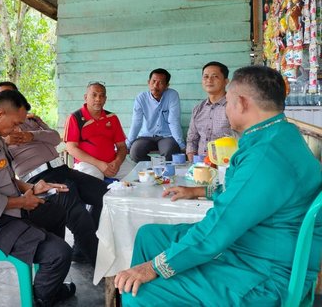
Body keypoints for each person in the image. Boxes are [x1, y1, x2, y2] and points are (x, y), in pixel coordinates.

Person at [115, 66, 322, 306]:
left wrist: (154, 267)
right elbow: (246, 194)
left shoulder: (266, 154)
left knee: (137, 292)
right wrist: (200, 191)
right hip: (253, 243)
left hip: (262, 274)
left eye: (228, 102)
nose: (225, 108)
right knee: (149, 236)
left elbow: (218, 230)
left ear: (242, 103)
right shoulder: (280, 133)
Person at [0, 90, 76, 307]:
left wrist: (33, 187)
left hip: (8, 210)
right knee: (60, 254)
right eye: (15, 123)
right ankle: (42, 298)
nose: (17, 129)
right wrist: (22, 202)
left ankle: (48, 282)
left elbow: (7, 178)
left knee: (56, 211)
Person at [0, 81, 108, 266]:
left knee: (106, 195)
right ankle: (104, 269)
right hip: (38, 178)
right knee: (78, 213)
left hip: (63, 169)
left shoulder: (32, 120)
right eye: (1, 98)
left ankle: (81, 248)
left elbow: (55, 137)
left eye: (11, 97)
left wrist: (32, 135)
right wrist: (4, 141)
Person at [64, 81, 130, 180]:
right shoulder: (75, 117)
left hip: (112, 164)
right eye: (94, 95)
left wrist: (117, 162)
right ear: (86, 97)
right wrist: (99, 164)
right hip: (88, 164)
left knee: (136, 175)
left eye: (101, 96)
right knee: (94, 183)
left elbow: (122, 146)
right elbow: (71, 148)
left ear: (105, 99)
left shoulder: (112, 117)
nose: (98, 99)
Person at [126, 68, 185, 162]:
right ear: (148, 82)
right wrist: (128, 145)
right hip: (146, 136)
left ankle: (163, 173)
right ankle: (152, 170)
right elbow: (136, 122)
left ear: (166, 86)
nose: (155, 85)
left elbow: (174, 121)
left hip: (166, 136)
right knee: (135, 152)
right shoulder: (141, 98)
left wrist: (181, 145)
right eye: (153, 81)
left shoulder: (172, 95)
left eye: (160, 82)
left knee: (170, 150)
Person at [186, 61, 235, 162]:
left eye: (215, 76)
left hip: (226, 164)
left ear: (226, 81)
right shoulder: (198, 109)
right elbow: (191, 140)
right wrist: (193, 165)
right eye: (206, 76)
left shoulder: (234, 107)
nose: (209, 80)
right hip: (201, 166)